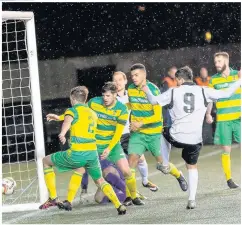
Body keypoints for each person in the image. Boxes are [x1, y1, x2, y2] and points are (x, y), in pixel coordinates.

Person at [142, 66, 241, 209]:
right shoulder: (203, 89)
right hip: (194, 140)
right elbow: (226, 93)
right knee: (192, 166)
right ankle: (192, 199)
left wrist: (147, 91)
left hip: (176, 136)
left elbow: (153, 101)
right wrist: (239, 81)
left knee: (163, 132)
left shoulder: (173, 91)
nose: (176, 83)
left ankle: (164, 163)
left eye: (177, 81)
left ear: (181, 80)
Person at [40, 86, 126, 215]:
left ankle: (53, 197)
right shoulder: (92, 113)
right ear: (85, 99)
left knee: (46, 161)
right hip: (92, 154)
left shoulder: (72, 110)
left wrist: (63, 133)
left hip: (77, 153)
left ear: (72, 99)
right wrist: (59, 118)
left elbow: (68, 120)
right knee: (100, 181)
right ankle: (119, 205)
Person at [127, 63, 188, 194]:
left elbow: (156, 116)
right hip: (138, 134)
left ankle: (179, 175)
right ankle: (132, 196)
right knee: (131, 162)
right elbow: (131, 106)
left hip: (154, 134)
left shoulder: (153, 90)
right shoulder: (130, 89)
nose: (134, 78)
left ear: (144, 75)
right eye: (132, 75)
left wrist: (140, 122)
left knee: (164, 167)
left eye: (136, 75)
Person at [88, 82, 144, 205]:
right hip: (95, 147)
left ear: (114, 95)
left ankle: (133, 197)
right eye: (103, 96)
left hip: (112, 145)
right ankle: (116, 191)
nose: (105, 98)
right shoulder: (93, 102)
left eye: (108, 96)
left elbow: (117, 133)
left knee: (127, 171)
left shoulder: (122, 109)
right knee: (99, 198)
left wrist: (109, 148)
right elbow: (79, 112)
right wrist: (61, 118)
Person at [113, 71, 159, 194]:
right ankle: (130, 192)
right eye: (115, 80)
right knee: (123, 167)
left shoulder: (131, 95)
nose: (117, 83)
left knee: (140, 159)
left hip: (130, 134)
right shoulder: (111, 98)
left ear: (125, 81)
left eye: (119, 80)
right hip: (117, 136)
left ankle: (144, 181)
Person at [206, 52, 241, 189]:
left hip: (239, 118)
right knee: (226, 150)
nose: (217, 64)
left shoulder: (237, 75)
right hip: (223, 120)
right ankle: (229, 179)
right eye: (215, 62)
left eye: (219, 61)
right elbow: (210, 98)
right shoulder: (213, 80)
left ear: (226, 61)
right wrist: (208, 113)